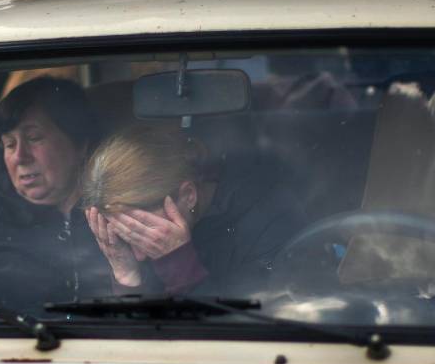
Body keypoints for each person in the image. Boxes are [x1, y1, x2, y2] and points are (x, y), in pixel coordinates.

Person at [0, 77, 111, 304]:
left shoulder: (118, 212)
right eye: (9, 144)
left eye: (34, 138)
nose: (20, 157)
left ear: (81, 144)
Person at [81, 125, 307, 296]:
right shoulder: (126, 251)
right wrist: (126, 275)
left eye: (141, 229)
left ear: (188, 195)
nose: (139, 255)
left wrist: (181, 268)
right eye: (125, 235)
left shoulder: (271, 221)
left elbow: (246, 339)